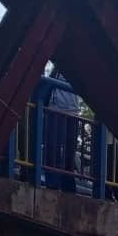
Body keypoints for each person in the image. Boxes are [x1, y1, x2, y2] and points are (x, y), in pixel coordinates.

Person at [43, 64, 82, 192]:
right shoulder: (58, 68)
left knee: (69, 151)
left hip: (72, 111)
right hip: (57, 109)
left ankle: (68, 184)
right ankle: (53, 182)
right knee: (54, 148)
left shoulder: (78, 67)